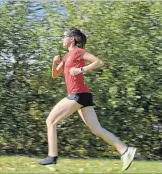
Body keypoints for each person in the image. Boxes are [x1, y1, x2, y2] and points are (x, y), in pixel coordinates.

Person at [38, 28, 136, 171]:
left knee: (50, 121)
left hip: (77, 94)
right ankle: (126, 150)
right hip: (83, 96)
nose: (62, 39)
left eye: (64, 37)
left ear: (72, 39)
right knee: (96, 129)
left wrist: (81, 70)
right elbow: (55, 74)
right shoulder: (67, 56)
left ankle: (52, 156)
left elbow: (98, 62)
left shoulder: (78, 52)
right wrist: (55, 63)